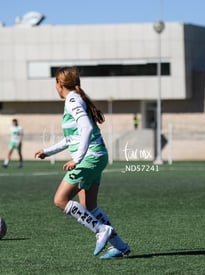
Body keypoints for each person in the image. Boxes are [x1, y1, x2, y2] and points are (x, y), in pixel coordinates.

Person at [34, 67, 131, 259]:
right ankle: (120, 246)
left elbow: (86, 128)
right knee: (89, 206)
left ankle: (100, 230)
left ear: (59, 84)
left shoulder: (72, 100)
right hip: (98, 156)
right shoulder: (76, 99)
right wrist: (48, 151)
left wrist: (77, 159)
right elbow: (73, 138)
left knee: (60, 200)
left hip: (90, 158)